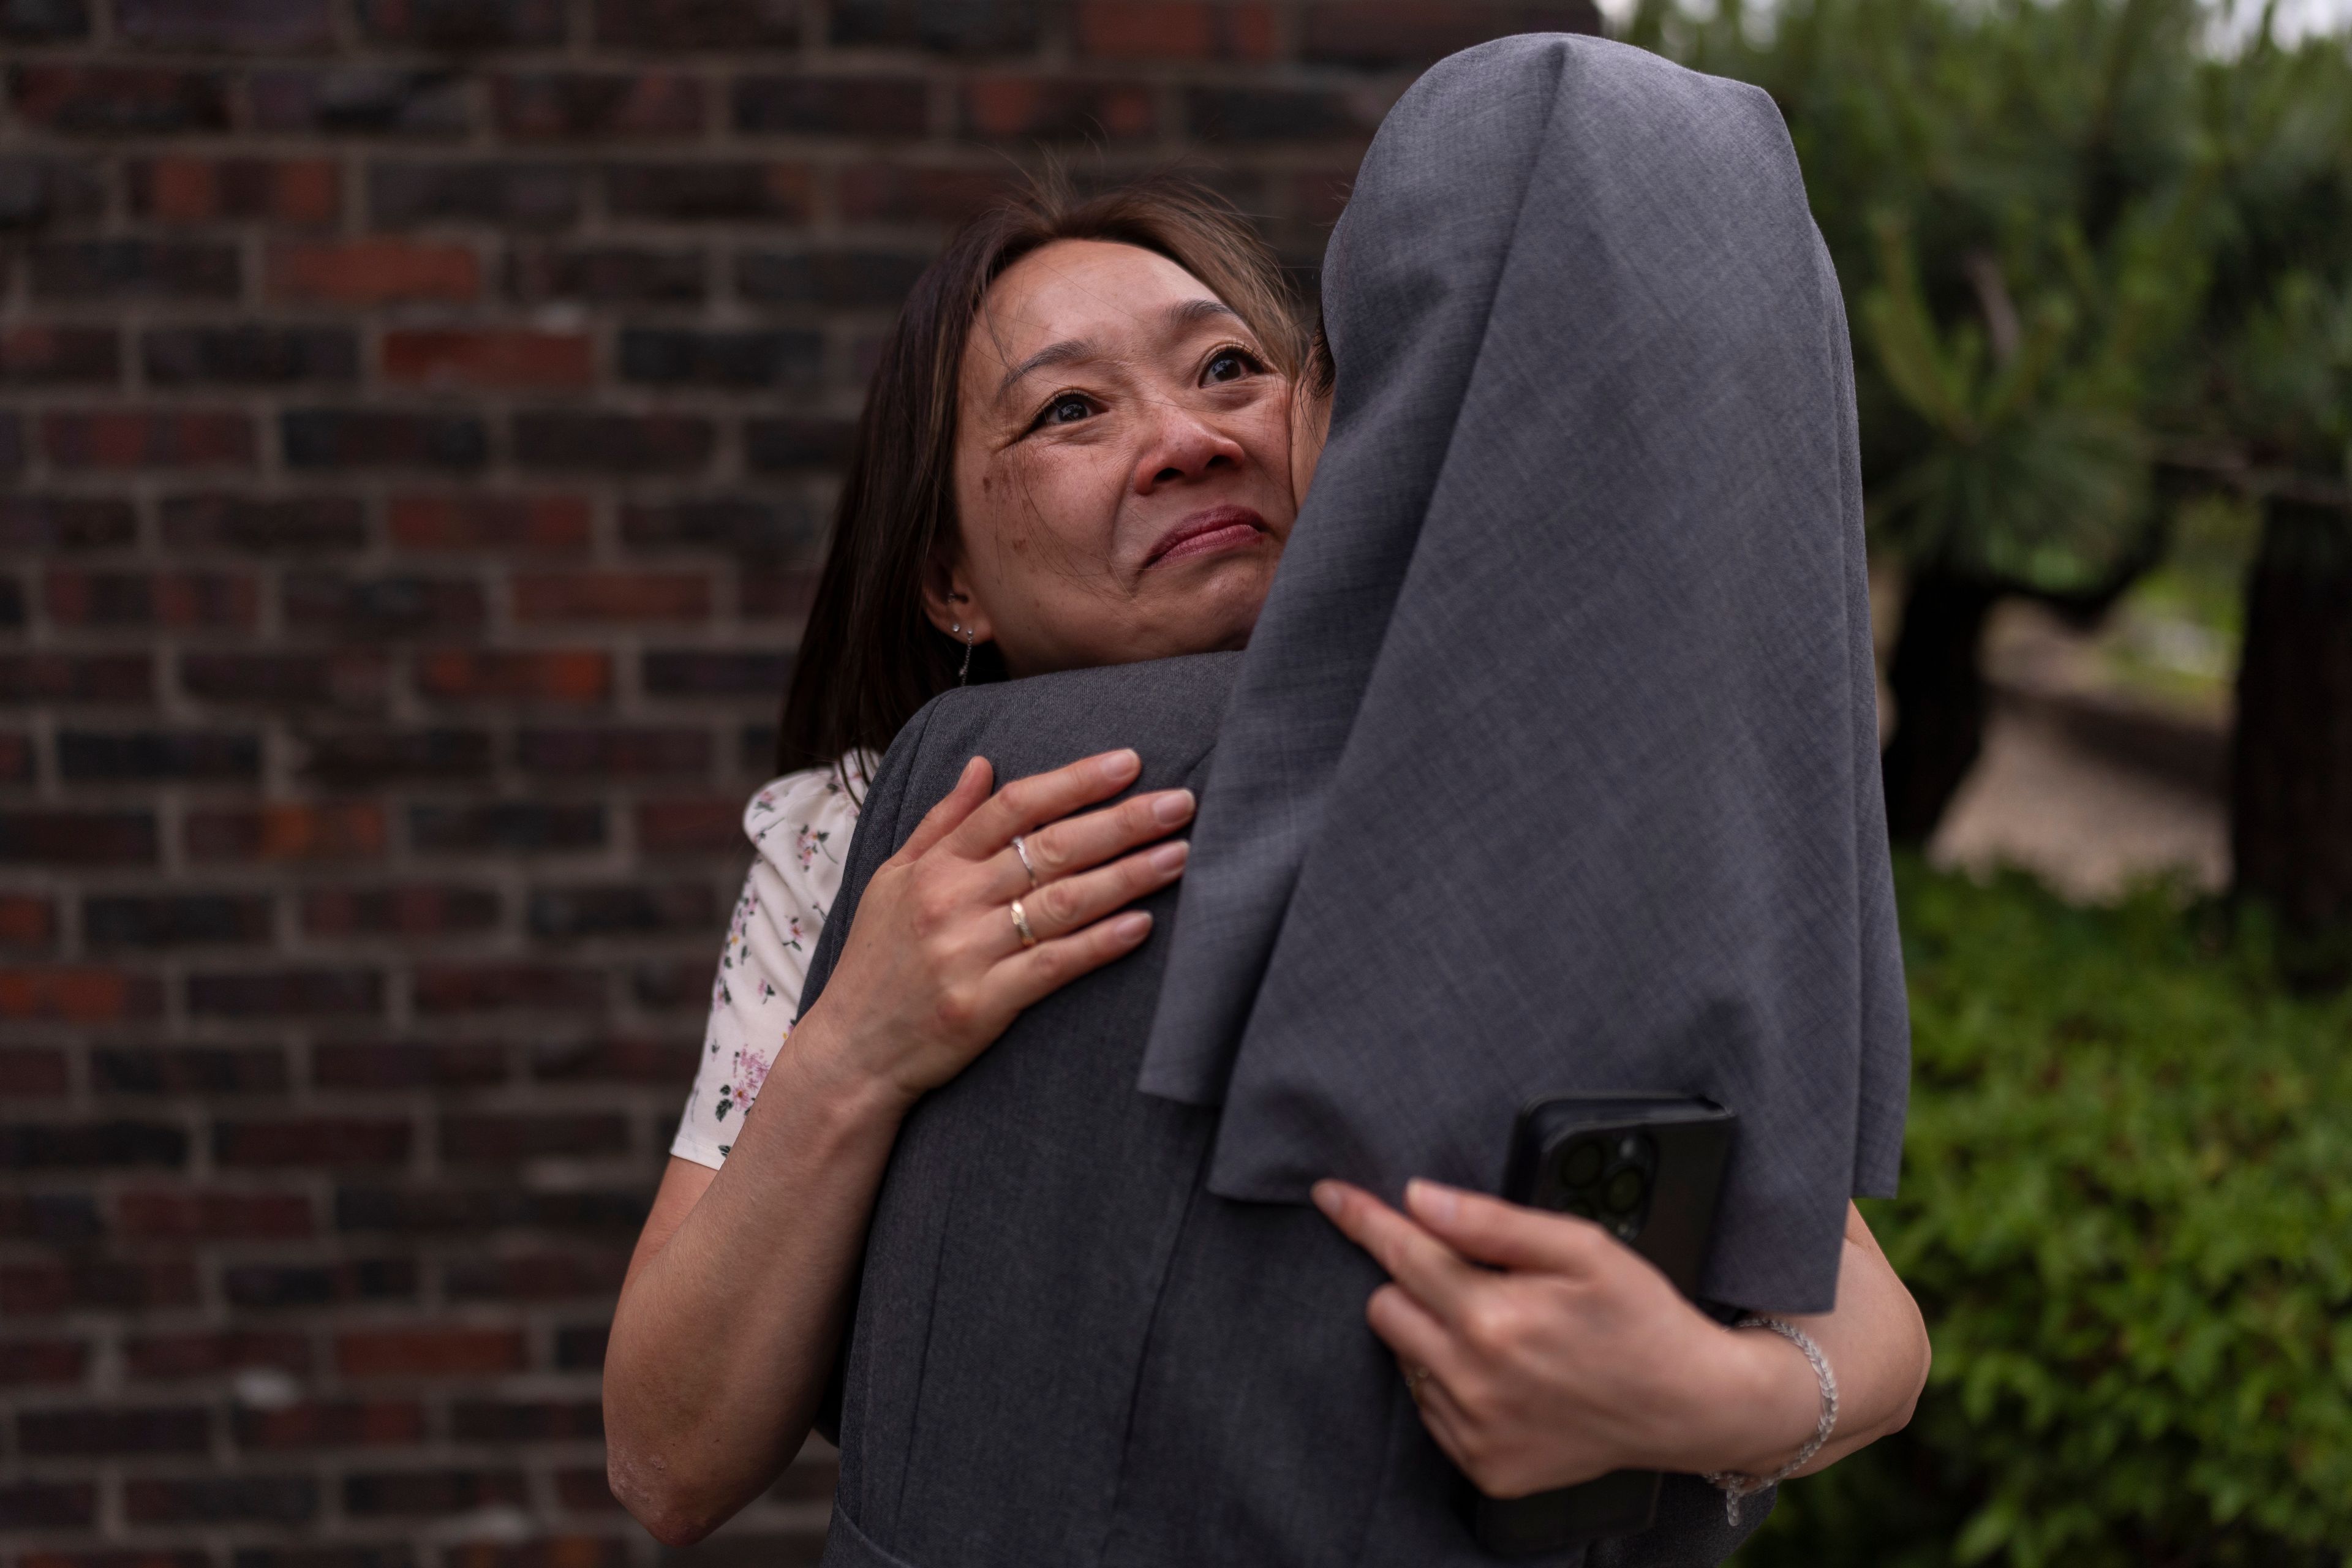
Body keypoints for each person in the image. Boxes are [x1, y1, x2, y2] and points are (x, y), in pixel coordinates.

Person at [606, 42, 1929, 1561]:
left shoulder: (1540, 787)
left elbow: (1859, 1308)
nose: (1189, 438)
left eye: (1229, 365)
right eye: (1069, 413)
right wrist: (858, 1040)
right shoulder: (854, 839)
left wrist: (1709, 1393)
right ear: (950, 575)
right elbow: (665, 1461)